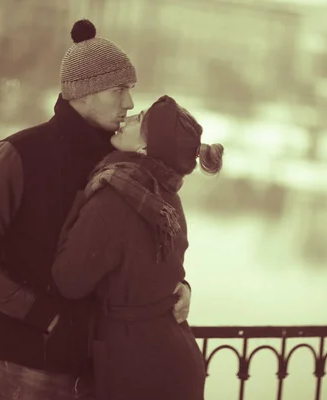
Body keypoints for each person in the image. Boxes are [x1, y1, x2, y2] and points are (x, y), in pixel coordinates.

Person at [0, 20, 192, 400]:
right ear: (83, 93)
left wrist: (177, 288)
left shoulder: (126, 164)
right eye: (120, 89)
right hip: (27, 366)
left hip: (105, 371)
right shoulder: (18, 154)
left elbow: (145, 248)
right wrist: (43, 316)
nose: (129, 102)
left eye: (129, 89)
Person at [51, 94, 224, 400]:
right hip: (171, 359)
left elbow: (69, 280)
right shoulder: (167, 198)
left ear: (145, 148)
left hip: (135, 370)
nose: (127, 118)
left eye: (138, 120)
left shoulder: (115, 199)